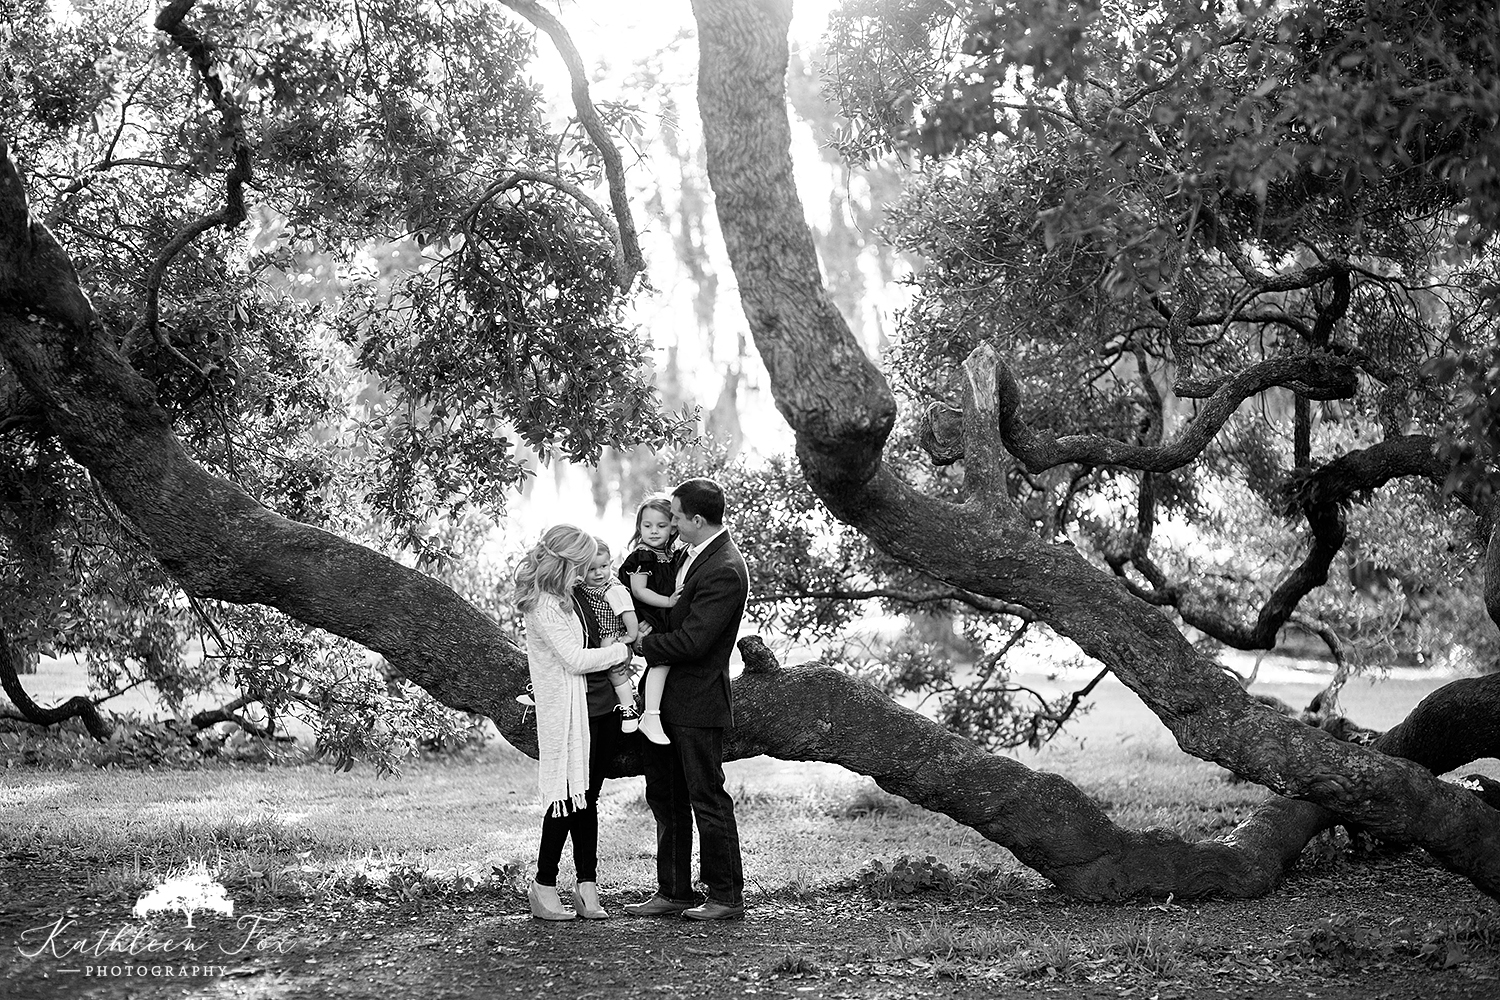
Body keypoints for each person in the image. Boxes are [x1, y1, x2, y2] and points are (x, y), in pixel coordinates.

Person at [623, 478, 749, 922]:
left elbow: (695, 641)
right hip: (663, 699)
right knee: (665, 798)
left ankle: (726, 896)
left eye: (675, 516)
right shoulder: (691, 555)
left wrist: (643, 648)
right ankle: (673, 891)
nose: (670, 522)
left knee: (706, 799)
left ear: (697, 519)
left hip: (697, 701)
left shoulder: (724, 568)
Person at [513, 524, 636, 922]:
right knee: (564, 799)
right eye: (581, 565)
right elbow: (575, 660)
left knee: (586, 799)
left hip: (596, 708)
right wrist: (623, 650)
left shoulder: (568, 596)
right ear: (567, 563)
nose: (587, 572)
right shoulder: (543, 605)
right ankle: (543, 884)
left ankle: (587, 885)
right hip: (567, 711)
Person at [617, 495, 682, 745]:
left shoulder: (669, 554)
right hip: (644, 616)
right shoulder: (642, 556)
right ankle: (648, 715)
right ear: (639, 527)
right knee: (661, 660)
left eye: (661, 526)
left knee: (664, 661)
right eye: (647, 526)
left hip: (659, 617)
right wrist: (668, 602)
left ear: (673, 527)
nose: (653, 531)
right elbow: (639, 590)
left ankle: (645, 711)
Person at [578, 537, 647, 734]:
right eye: (591, 569)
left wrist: (630, 637)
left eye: (603, 566)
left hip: (613, 635)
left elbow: (628, 614)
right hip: (598, 635)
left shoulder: (613, 589)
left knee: (615, 671)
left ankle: (628, 707)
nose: (598, 573)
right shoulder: (585, 585)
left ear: (611, 564)